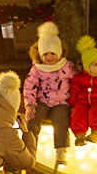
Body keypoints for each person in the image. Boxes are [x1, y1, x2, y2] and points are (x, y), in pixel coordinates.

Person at [23, 21, 74, 165]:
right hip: (42, 102)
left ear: (59, 52)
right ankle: (29, 149)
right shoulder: (37, 69)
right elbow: (29, 86)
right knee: (32, 120)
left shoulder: (67, 67)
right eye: (45, 54)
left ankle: (61, 151)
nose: (49, 57)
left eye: (53, 53)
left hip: (60, 102)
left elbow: (77, 81)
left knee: (61, 121)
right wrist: (30, 105)